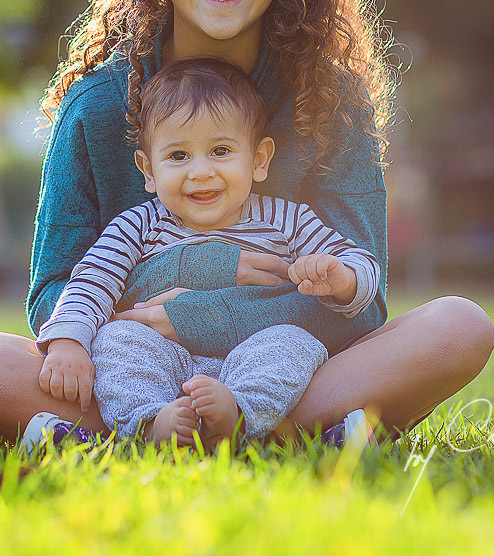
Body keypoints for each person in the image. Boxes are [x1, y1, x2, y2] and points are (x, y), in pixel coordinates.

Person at [0, 0, 494, 444]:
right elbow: (54, 293)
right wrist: (207, 276)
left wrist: (207, 314)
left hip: (287, 367)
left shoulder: (331, 100)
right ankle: (246, 432)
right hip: (132, 363)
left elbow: (364, 298)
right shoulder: (97, 104)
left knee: (460, 326)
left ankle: (210, 426)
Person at [39, 57, 375, 448]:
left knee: (293, 341)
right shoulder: (138, 226)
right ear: (148, 170)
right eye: (178, 156)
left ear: (259, 159)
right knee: (116, 339)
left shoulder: (287, 220)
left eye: (220, 150)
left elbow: (361, 265)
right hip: (158, 358)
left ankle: (239, 415)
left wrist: (342, 276)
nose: (200, 172)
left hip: (252, 357)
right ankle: (151, 424)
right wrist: (68, 341)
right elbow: (92, 280)